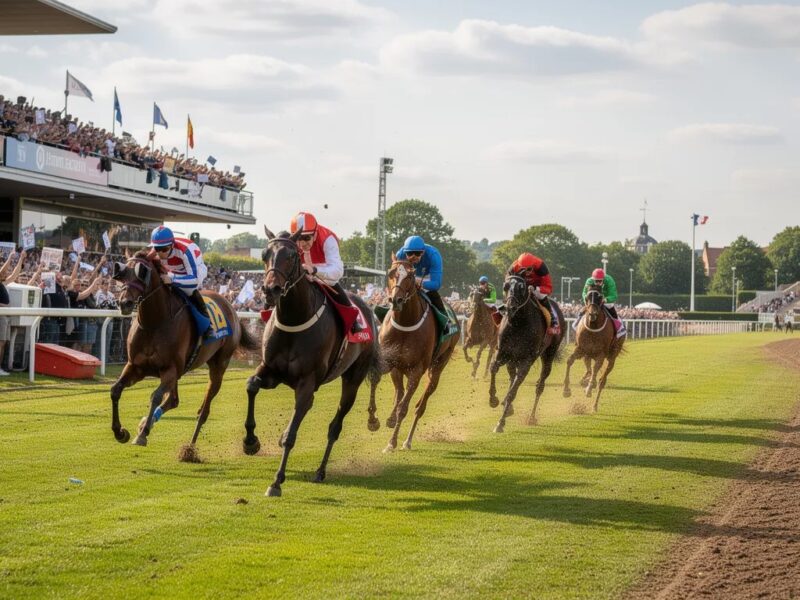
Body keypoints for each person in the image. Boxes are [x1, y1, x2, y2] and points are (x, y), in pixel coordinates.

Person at [290, 212, 363, 333]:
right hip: (302, 279)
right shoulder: (291, 242)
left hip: (326, 280)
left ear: (315, 233)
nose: (302, 243)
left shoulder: (328, 239)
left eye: (307, 238)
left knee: (344, 302)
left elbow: (338, 271)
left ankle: (353, 322)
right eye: (299, 238)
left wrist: (315, 270)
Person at [148, 225, 212, 336]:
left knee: (189, 290)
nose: (160, 253)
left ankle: (207, 325)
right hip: (173, 270)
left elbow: (195, 280)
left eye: (164, 249)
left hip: (194, 272)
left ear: (172, 245)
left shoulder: (185, 251)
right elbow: (143, 260)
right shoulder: (159, 248)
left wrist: (172, 280)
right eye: (157, 249)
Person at [508, 252, 560, 335]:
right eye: (523, 270)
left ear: (533, 265)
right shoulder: (514, 267)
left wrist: (536, 288)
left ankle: (553, 320)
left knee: (541, 295)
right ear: (519, 266)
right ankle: (504, 313)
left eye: (529, 269)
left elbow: (549, 288)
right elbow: (508, 281)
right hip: (520, 286)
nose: (526, 272)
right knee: (512, 293)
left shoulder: (541, 267)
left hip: (536, 287)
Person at [395, 235, 448, 316]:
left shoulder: (434, 255)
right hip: (408, 276)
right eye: (409, 253)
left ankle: (445, 319)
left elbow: (436, 284)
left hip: (427, 277)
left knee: (434, 296)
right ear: (405, 252)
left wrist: (420, 282)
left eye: (417, 253)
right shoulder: (399, 255)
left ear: (423, 252)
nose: (413, 257)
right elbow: (395, 277)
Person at [581, 268, 626, 338]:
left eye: (600, 281)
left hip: (606, 302)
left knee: (614, 315)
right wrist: (586, 300)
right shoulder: (589, 281)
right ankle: (576, 327)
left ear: (603, 279)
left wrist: (606, 299)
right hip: (593, 302)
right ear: (593, 279)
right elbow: (584, 293)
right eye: (596, 281)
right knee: (580, 313)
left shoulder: (609, 280)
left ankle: (619, 330)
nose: (598, 283)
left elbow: (614, 295)